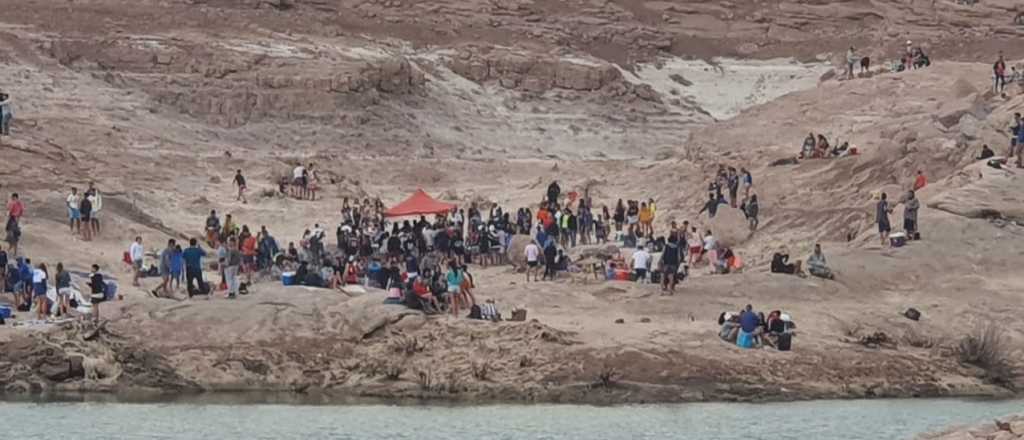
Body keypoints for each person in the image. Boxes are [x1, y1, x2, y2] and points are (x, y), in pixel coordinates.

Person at [660, 230, 681, 294]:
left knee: (663, 277)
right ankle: (670, 290)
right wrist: (678, 264)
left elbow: (662, 254)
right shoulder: (677, 247)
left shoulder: (666, 246)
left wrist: (660, 261)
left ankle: (661, 291)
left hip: (665, 263)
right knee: (671, 277)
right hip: (673, 264)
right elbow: (679, 257)